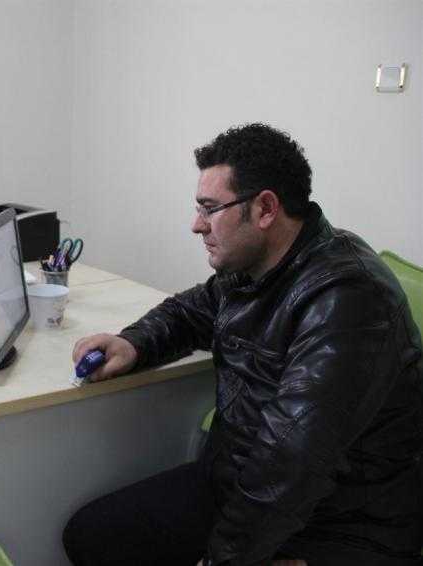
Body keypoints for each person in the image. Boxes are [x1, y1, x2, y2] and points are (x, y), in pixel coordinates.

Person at [63, 123, 423, 566]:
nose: (196, 225)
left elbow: (290, 465)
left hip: (336, 528)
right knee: (89, 535)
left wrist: (223, 560)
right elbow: (191, 311)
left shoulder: (347, 299)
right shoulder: (257, 264)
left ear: (266, 208)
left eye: (210, 209)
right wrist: (131, 344)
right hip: (243, 486)